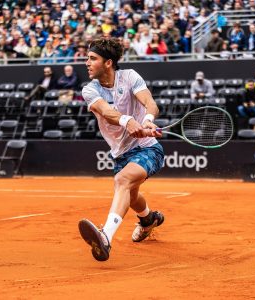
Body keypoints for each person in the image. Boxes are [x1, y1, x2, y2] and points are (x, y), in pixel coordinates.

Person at [79, 38, 164, 262]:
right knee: (132, 194)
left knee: (122, 181)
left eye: (92, 59)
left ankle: (106, 237)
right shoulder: (90, 89)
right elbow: (106, 111)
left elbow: (150, 103)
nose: (87, 62)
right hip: (120, 153)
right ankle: (148, 220)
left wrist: (147, 120)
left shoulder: (130, 77)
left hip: (147, 148)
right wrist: (128, 121)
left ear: (108, 63)